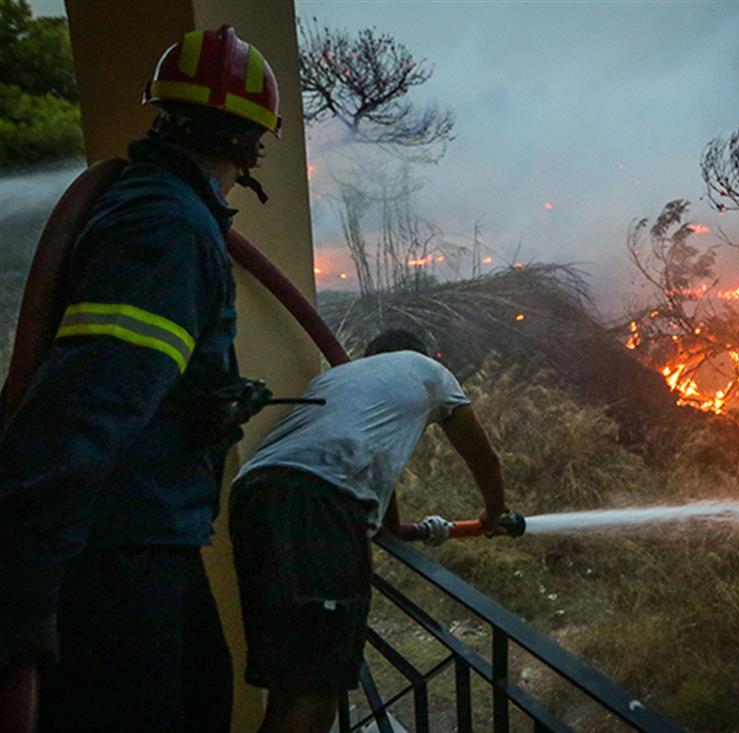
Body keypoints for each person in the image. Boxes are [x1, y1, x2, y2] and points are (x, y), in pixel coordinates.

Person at [0, 26, 281, 733]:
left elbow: (126, 376)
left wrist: (200, 404)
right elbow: (85, 406)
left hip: (144, 537)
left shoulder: (155, 208)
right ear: (252, 143)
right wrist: (26, 584)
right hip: (114, 555)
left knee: (204, 693)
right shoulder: (165, 226)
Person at [230, 329, 509, 733]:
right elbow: (483, 456)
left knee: (291, 685)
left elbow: (379, 479)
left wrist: (406, 528)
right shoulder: (430, 370)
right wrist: (493, 514)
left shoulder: (342, 379)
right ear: (418, 354)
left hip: (253, 498)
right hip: (319, 503)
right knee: (316, 691)